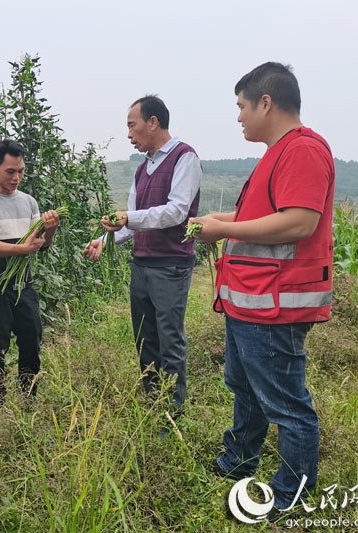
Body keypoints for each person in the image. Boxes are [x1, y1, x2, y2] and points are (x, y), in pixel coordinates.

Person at [189, 62, 334, 515]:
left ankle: (292, 494)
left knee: (286, 404)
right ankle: (239, 459)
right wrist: (215, 223)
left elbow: (299, 221)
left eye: (241, 106)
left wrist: (223, 229)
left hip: (277, 304)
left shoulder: (303, 150)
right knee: (244, 385)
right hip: (250, 301)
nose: (238, 117)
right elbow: (260, 216)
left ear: (265, 103)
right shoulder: (275, 152)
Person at [83, 96, 202, 427]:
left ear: (153, 122)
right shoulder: (142, 168)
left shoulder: (184, 157)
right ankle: (154, 402)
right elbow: (132, 225)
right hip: (143, 264)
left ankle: (172, 414)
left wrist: (126, 218)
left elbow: (177, 211)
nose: (129, 134)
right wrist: (105, 240)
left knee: (169, 337)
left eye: (132, 125)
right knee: (145, 338)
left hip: (171, 265)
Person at [0, 140, 60, 404]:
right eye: (10, 171)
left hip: (25, 286)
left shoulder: (29, 202)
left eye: (20, 171)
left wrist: (51, 228)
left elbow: (41, 246)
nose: (17, 177)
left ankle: (28, 397)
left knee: (32, 342)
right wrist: (23, 249)